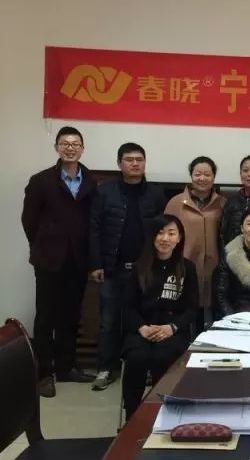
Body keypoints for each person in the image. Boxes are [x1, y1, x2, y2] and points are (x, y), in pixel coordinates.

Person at [21, 126, 97, 397]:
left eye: (75, 144)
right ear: (56, 148)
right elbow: (29, 220)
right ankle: (44, 373)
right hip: (49, 260)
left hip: (78, 260)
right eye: (65, 143)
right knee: (46, 316)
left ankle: (66, 367)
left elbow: (91, 221)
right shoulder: (41, 180)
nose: (70, 148)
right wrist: (42, 245)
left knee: (71, 315)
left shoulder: (90, 181)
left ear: (82, 149)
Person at [89, 142, 166, 391]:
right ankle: (105, 368)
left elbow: (163, 231)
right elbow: (94, 228)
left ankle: (144, 368)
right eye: (129, 159)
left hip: (145, 271)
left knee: (146, 319)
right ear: (119, 164)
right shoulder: (105, 191)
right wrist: (96, 263)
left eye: (139, 159)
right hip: (113, 268)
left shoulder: (155, 193)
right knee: (109, 321)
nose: (135, 164)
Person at [122, 215, 197, 420]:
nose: (165, 238)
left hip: (172, 330)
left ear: (179, 238)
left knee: (163, 358)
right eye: (160, 233)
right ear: (152, 236)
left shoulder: (187, 268)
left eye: (171, 233)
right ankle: (132, 416)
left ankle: (162, 414)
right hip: (142, 329)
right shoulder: (139, 268)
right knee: (137, 359)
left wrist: (171, 328)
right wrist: (142, 328)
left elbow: (192, 309)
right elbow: (128, 307)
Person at [165, 156, 226, 332]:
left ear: (214, 177)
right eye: (197, 174)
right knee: (186, 315)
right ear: (191, 176)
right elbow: (164, 235)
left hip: (215, 268)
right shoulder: (176, 203)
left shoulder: (223, 203)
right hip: (183, 268)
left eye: (207, 174)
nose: (202, 178)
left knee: (214, 316)